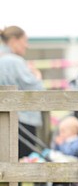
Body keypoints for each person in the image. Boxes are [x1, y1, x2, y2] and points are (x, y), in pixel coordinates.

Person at [0, 25, 45, 158]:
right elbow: (37, 90)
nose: (27, 46)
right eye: (24, 41)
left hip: (4, 119)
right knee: (22, 161)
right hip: (22, 121)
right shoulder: (15, 62)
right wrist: (37, 75)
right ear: (14, 41)